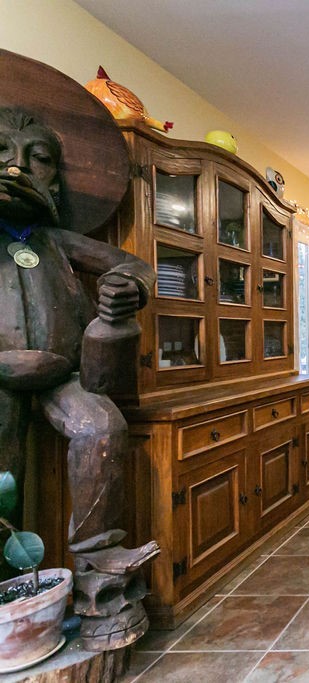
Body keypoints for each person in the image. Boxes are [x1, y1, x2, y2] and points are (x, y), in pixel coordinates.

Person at [0, 105, 158, 649]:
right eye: (2, 155)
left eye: (37, 159)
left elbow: (133, 264)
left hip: (65, 375)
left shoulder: (57, 241)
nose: (17, 169)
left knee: (103, 428)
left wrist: (126, 289)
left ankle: (98, 563)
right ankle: (11, 592)